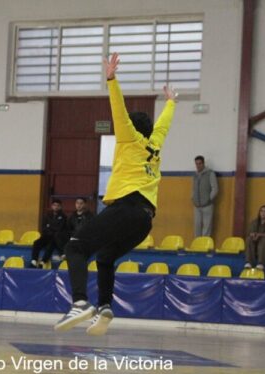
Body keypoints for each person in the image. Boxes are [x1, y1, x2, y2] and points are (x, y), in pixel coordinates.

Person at [55, 52, 176, 335]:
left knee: (75, 247)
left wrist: (111, 79)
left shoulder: (129, 137)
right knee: (105, 257)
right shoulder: (154, 146)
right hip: (145, 221)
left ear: (132, 128)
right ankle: (106, 306)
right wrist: (170, 103)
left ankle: (80, 302)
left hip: (127, 208)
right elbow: (163, 126)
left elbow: (117, 109)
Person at [30, 199, 67, 268]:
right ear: (52, 206)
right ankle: (34, 260)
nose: (56, 207)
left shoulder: (64, 217)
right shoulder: (47, 215)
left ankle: (43, 262)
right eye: (54, 205)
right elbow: (44, 227)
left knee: (51, 244)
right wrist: (50, 228)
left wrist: (50, 226)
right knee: (36, 242)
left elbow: (60, 229)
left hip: (56, 237)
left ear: (60, 207)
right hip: (46, 235)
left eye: (58, 205)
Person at [191, 155, 218, 237]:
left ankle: (204, 246)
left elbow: (215, 188)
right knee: (197, 226)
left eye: (199, 163)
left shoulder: (210, 173)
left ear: (203, 163)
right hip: (197, 206)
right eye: (196, 164)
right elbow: (193, 188)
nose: (198, 166)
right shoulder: (195, 175)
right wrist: (192, 198)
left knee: (207, 227)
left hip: (207, 205)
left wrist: (209, 199)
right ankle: (197, 245)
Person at [244, 205, 265, 270]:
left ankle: (260, 263)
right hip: (256, 242)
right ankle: (249, 262)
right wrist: (253, 235)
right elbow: (250, 232)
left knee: (264, 240)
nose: (263, 213)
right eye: (261, 211)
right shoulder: (254, 222)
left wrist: (258, 235)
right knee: (249, 239)